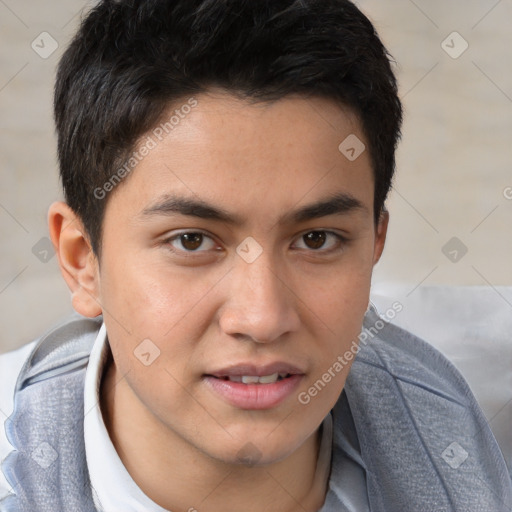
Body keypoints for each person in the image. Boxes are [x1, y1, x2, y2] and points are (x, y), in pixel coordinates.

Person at [0, 1, 510, 510]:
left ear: (376, 244)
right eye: (192, 241)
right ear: (81, 260)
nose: (263, 319)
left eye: (317, 240)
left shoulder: (482, 438)